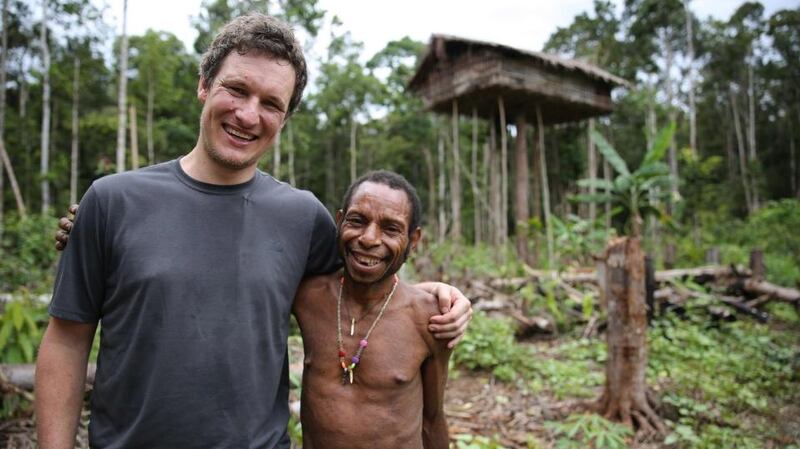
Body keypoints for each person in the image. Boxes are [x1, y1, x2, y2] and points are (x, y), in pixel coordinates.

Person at [36, 13, 471, 449]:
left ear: (285, 118)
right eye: (237, 89)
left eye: (271, 103)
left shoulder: (303, 218)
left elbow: (364, 281)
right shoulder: (114, 201)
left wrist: (437, 295)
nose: (248, 115)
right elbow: (67, 342)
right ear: (204, 85)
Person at [294, 170, 451, 449]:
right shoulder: (307, 298)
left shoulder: (430, 319)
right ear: (339, 221)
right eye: (357, 221)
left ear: (413, 240)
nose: (368, 239)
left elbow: (433, 418)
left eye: (391, 228)